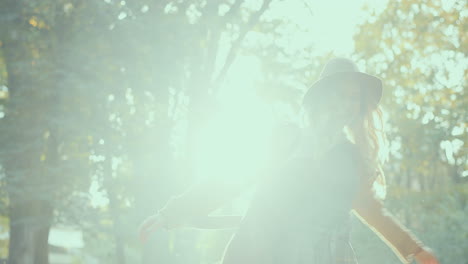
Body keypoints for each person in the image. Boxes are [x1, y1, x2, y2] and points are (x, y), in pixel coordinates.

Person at [138, 58, 440, 264]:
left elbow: (373, 211)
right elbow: (230, 179)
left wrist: (414, 250)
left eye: (353, 98)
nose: (347, 105)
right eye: (340, 96)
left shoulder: (351, 160)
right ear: (322, 99)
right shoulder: (286, 139)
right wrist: (172, 213)